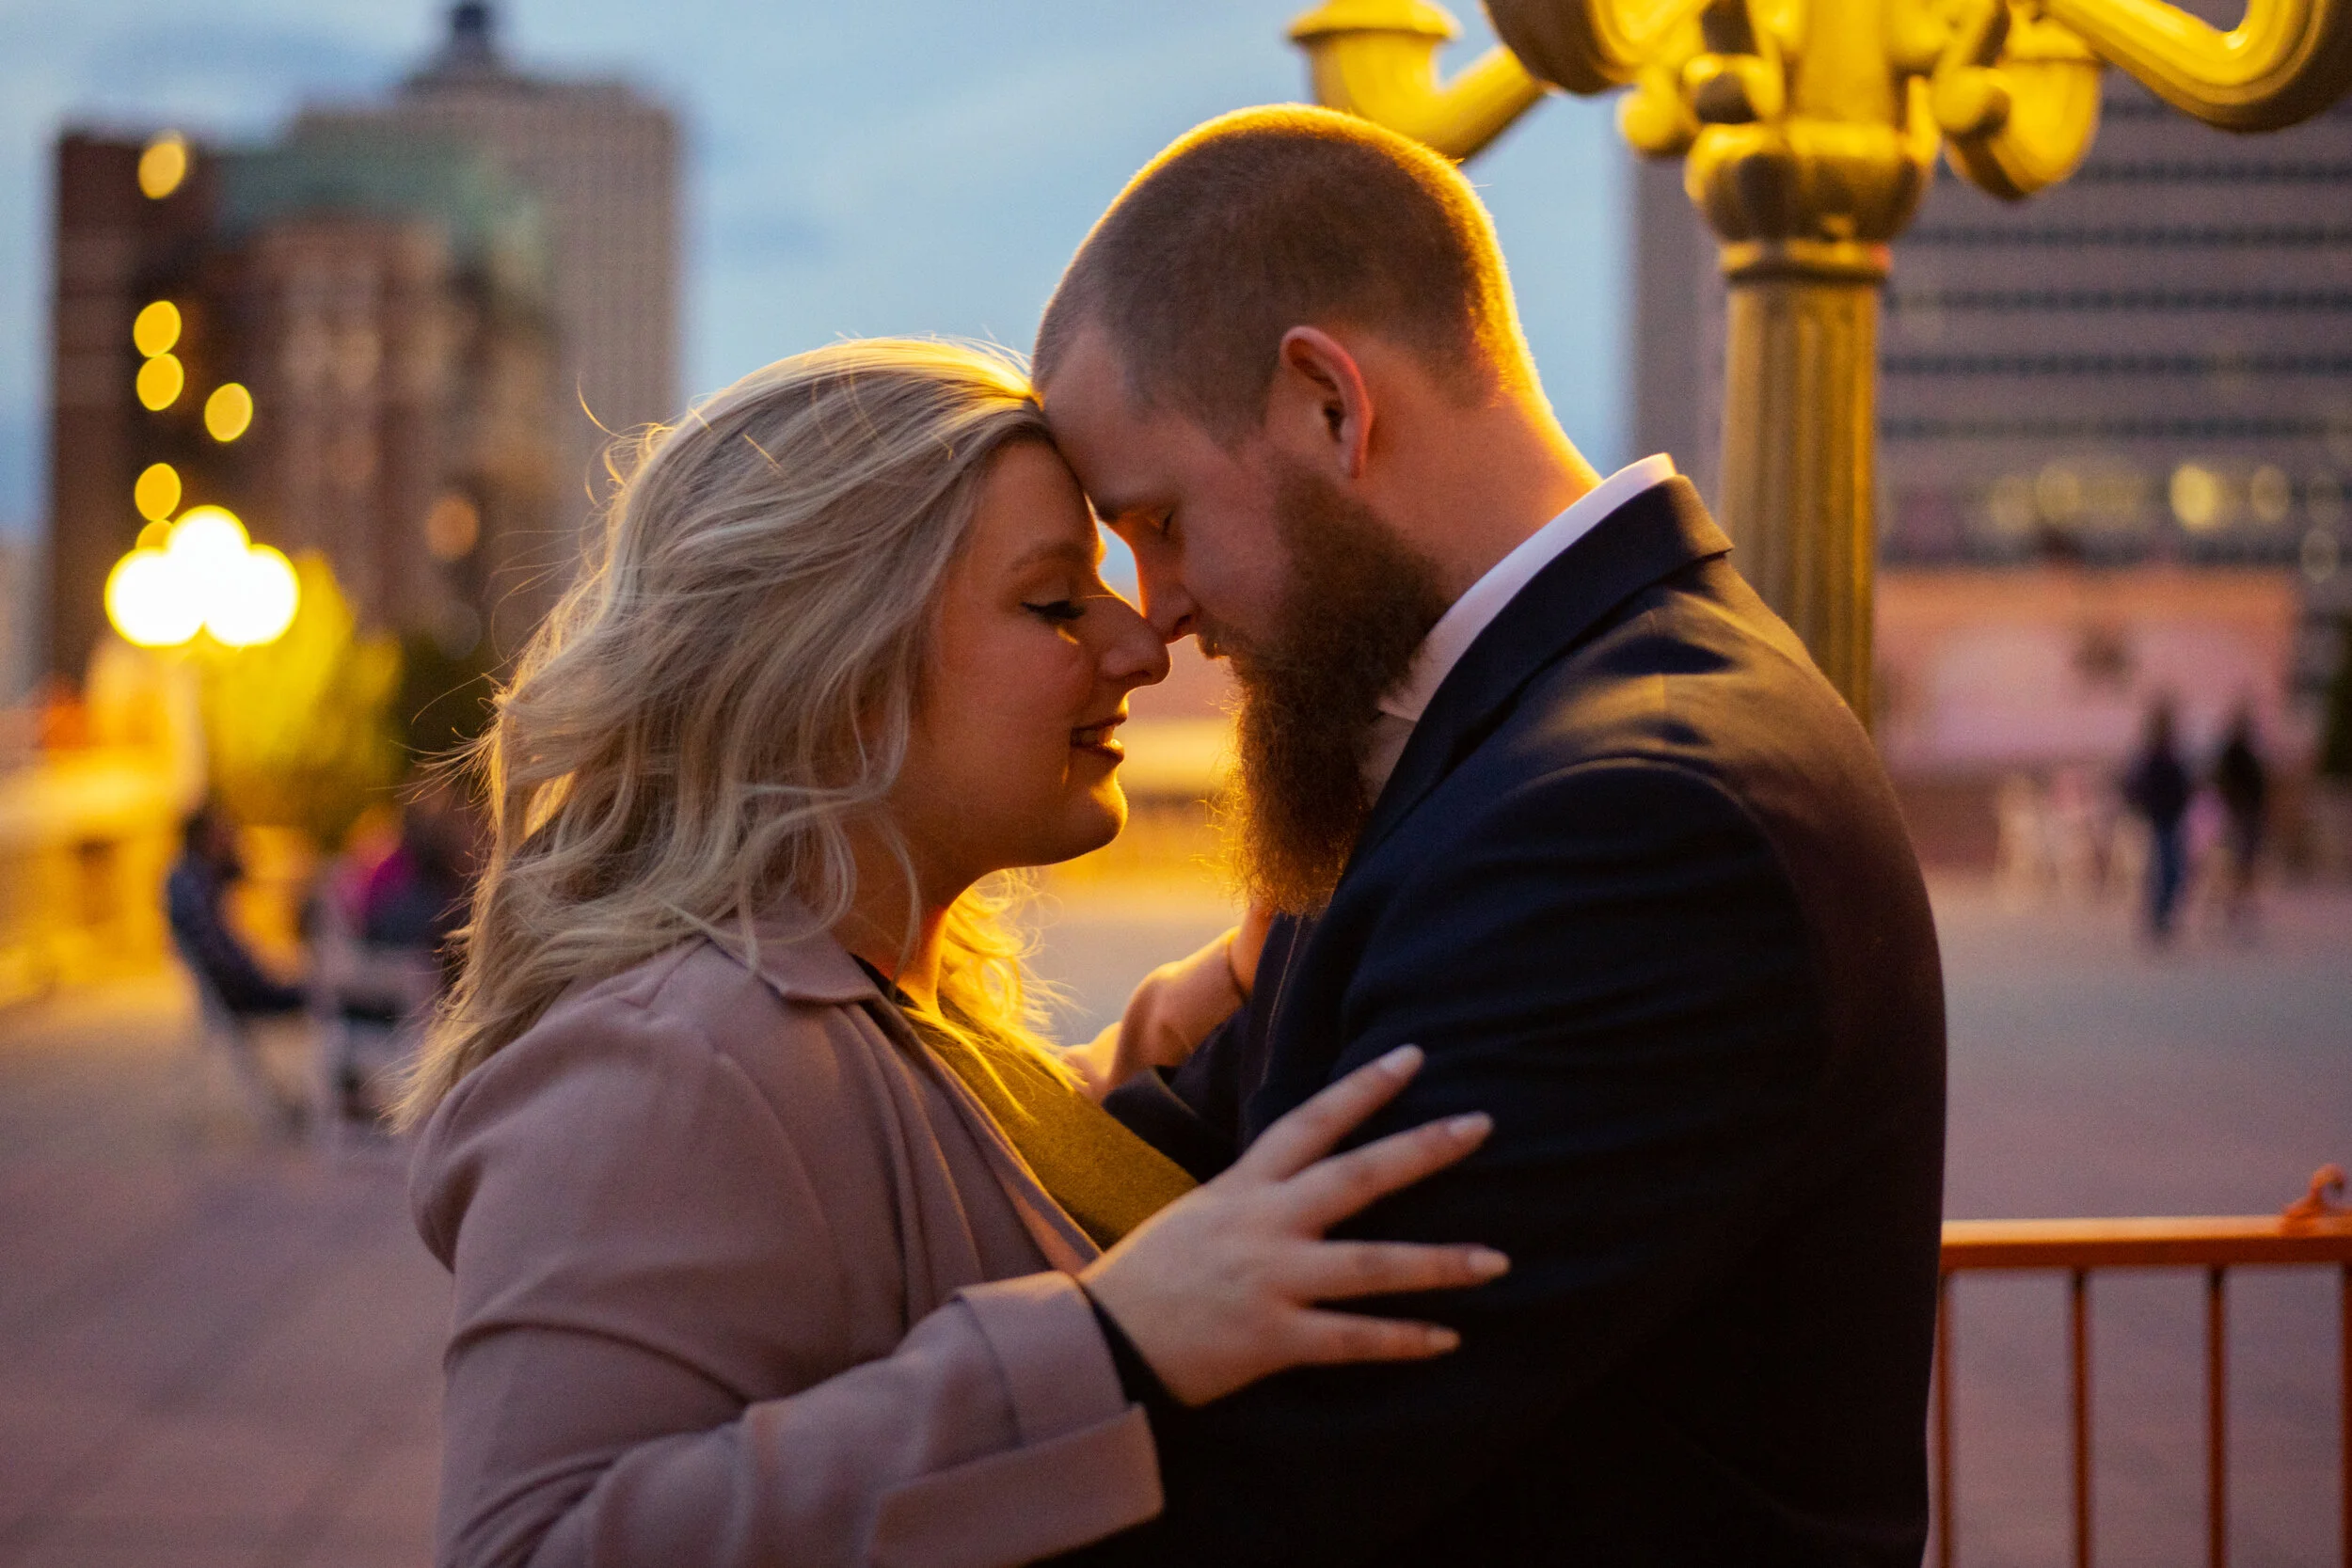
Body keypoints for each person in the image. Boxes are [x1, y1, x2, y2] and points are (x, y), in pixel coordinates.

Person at [397, 340, 1509, 1568]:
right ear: (837, 669)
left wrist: (1224, 991)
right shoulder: (669, 1061)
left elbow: (930, 1189)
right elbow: (529, 1546)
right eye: (1052, 601)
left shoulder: (863, 1003)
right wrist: (1109, 1342)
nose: (1143, 646)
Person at [1031, 106, 1947, 1563]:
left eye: (1160, 521)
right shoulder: (1493, 749)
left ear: (1330, 401)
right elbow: (1158, 1157)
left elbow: (1281, 1455)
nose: (1163, 610)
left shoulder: (1635, 816)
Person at [166, 801, 306, 1018]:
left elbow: (242, 873)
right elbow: (222, 960)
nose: (232, 837)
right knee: (330, 992)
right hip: (243, 992)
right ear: (207, 837)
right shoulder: (194, 884)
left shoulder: (194, 875)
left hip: (240, 987)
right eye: (225, 831)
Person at [2122, 696, 2194, 942]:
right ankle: (2158, 917)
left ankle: (2161, 916)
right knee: (2167, 869)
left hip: (2172, 817)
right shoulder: (2153, 754)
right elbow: (2136, 786)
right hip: (2161, 817)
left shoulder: (2170, 753)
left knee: (2171, 869)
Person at [2212, 703, 2268, 935]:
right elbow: (2227, 783)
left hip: (2247, 813)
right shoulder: (2235, 753)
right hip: (2241, 813)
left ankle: (2239, 904)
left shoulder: (2244, 751)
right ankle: (2235, 904)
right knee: (2240, 860)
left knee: (2245, 861)